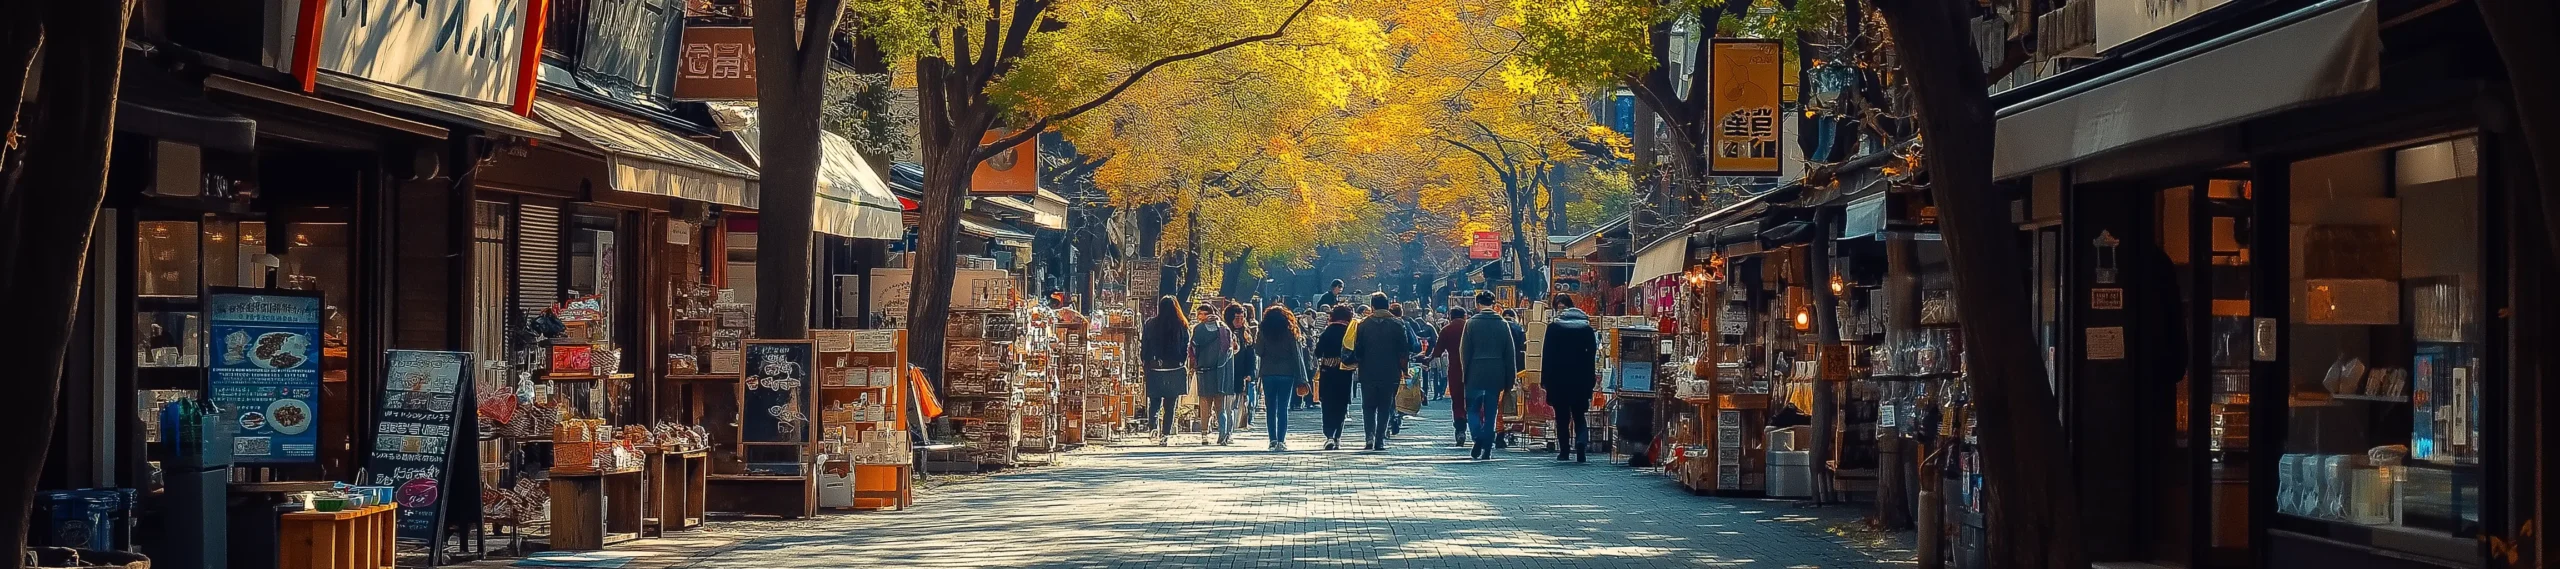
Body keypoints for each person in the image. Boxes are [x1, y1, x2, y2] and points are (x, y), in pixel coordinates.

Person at [1344, 293, 1412, 450]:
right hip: (1390, 372)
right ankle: (1379, 440)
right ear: (1387, 305)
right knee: (1385, 405)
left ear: (1372, 306)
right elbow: (1403, 351)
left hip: (1368, 372)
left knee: (1368, 406)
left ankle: (1369, 437)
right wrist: (1404, 370)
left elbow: (1358, 350)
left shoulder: (1363, 325)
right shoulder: (1397, 324)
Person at [1460, 291, 1520, 460]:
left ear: (1478, 304)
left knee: (1472, 410)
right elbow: (1510, 354)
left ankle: (1478, 437)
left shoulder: (1471, 324)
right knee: (1491, 412)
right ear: (1494, 305)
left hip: (1475, 373)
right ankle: (1487, 446)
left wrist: (1465, 375)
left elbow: (1464, 352)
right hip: (1496, 373)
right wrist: (1510, 379)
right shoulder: (1502, 324)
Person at [1541, 293, 1600, 462]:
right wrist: (1591, 379)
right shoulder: (1587, 330)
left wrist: (1544, 379)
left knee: (1562, 417)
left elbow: (1547, 355)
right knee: (1579, 415)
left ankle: (1564, 451)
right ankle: (1581, 443)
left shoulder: (1553, 329)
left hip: (1558, 379)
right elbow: (1592, 356)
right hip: (1581, 379)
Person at [1255, 306, 1311, 451]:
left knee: (1270, 408)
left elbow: (1259, 351)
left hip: (1268, 373)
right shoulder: (1290, 332)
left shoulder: (1263, 332)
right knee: (1283, 408)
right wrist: (1302, 377)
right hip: (1287, 374)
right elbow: (1297, 355)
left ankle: (1272, 439)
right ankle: (1281, 440)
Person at [1140, 296, 1192, 446]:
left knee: (1154, 402)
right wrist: (1181, 361)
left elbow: (1145, 345)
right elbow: (1185, 348)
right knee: (1170, 404)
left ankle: (1153, 429)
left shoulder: (1150, 324)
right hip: (1174, 367)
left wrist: (1146, 361)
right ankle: (1165, 434)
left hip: (1155, 366)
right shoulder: (1182, 325)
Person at [1189, 303, 1239, 446]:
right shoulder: (1225, 329)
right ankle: (1223, 433)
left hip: (1204, 371)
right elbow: (1231, 351)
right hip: (1221, 371)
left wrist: (1195, 365)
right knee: (1220, 406)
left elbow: (1193, 349)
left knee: (1205, 405)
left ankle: (1204, 435)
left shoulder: (1198, 329)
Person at [1313, 304, 1355, 449]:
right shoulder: (1350, 332)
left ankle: (1329, 435)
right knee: (1342, 405)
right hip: (1345, 371)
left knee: (1328, 405)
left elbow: (1318, 352)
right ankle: (1338, 437)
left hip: (1328, 371)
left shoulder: (1328, 331)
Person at [1426, 307, 1470, 447]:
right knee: (1473, 400)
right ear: (1464, 316)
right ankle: (1478, 430)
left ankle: (1460, 429)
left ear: (1450, 317)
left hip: (1455, 369)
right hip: (1472, 368)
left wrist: (1427, 358)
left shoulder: (1446, 330)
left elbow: (1437, 351)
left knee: (1457, 400)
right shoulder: (1470, 327)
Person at [1226, 304, 1260, 431]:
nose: (1239, 321)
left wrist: (1250, 372)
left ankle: (1236, 424)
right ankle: (1227, 425)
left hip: (1241, 372)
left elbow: (1251, 355)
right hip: (1227, 371)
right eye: (1236, 318)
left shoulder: (1246, 333)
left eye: (1241, 318)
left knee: (1240, 398)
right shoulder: (1225, 332)